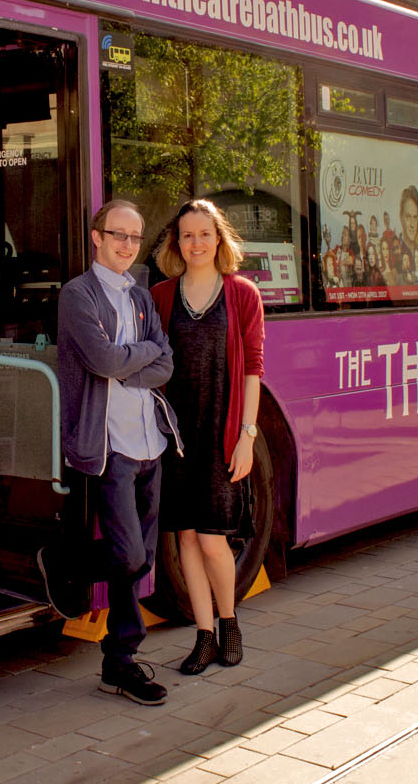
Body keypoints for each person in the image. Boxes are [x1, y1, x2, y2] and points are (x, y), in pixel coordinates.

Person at [47, 198, 179, 706]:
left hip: (151, 439)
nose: (126, 245)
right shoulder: (77, 295)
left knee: (138, 561)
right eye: (117, 235)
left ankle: (119, 662)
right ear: (97, 237)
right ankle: (68, 562)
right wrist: (137, 357)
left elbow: (164, 364)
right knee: (129, 554)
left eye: (134, 237)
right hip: (110, 446)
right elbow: (101, 359)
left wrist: (134, 360)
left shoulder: (141, 297)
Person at [150, 199, 264, 675]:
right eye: (186, 235)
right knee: (186, 541)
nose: (195, 243)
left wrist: (247, 437)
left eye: (204, 234)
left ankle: (229, 622)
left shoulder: (241, 294)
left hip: (221, 435)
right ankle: (202, 637)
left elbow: (254, 370)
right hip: (176, 438)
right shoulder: (160, 296)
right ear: (176, 242)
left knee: (214, 540)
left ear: (219, 239)